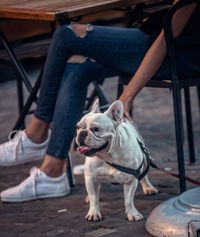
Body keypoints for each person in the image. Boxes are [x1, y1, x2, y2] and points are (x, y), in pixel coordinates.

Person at [0, 0, 199, 202]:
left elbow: (168, 37)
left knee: (66, 34)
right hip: (149, 34)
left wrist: (127, 95)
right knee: (77, 65)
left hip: (177, 52)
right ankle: (52, 171)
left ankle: (35, 136)